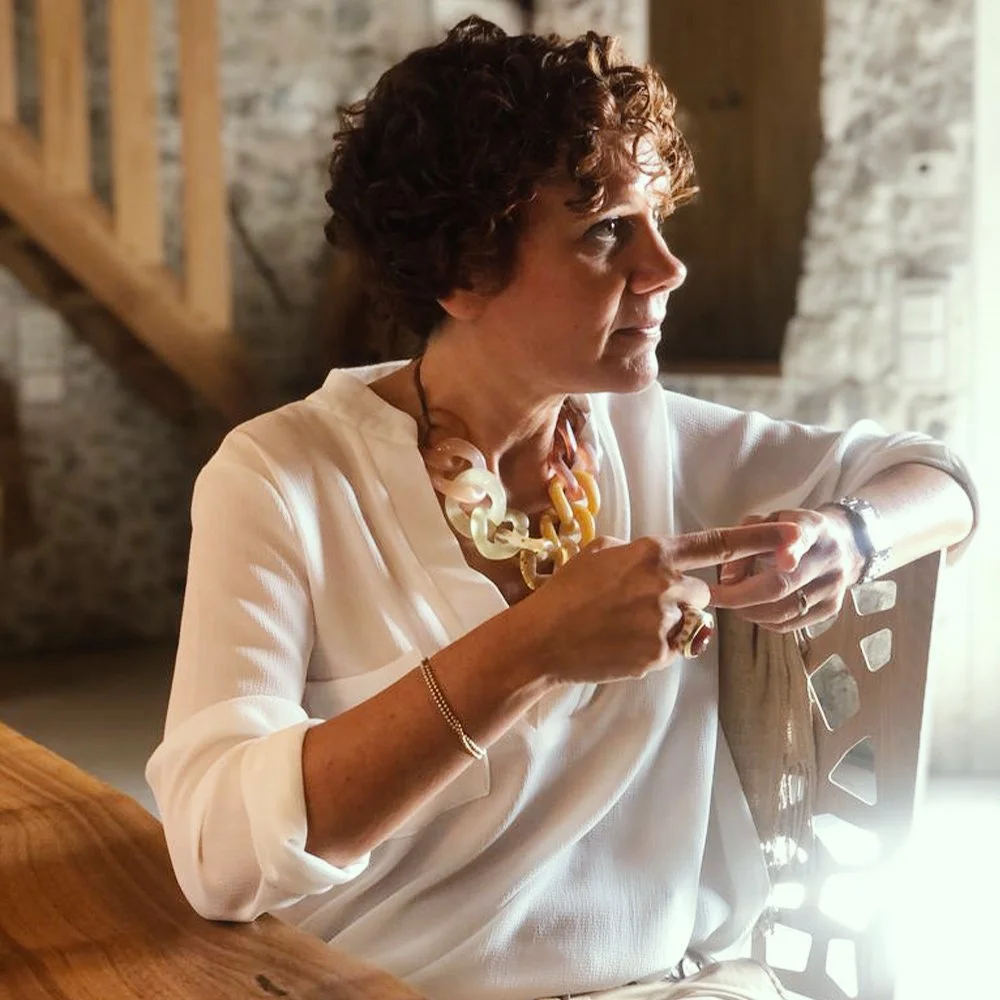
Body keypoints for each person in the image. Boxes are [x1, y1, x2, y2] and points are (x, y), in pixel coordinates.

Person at [146, 16, 977, 1000]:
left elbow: (941, 480)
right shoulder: (279, 479)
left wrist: (850, 534)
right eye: (606, 231)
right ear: (463, 268)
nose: (665, 268)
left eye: (657, 221)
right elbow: (218, 855)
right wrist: (531, 648)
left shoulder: (658, 439)